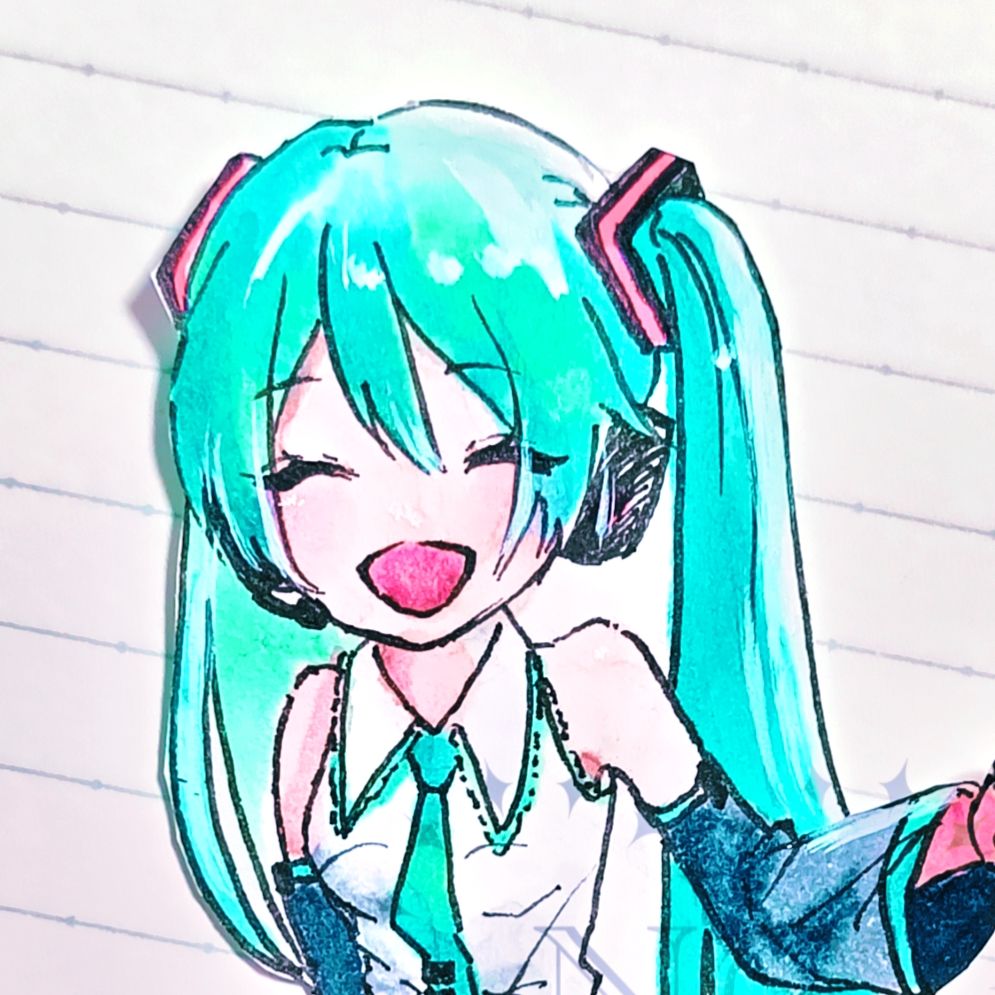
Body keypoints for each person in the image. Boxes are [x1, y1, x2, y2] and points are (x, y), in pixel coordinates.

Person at [159, 101, 995, 995]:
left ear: (596, 465)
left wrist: (957, 856)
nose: (410, 515)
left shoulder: (593, 685)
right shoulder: (314, 722)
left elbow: (767, 908)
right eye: (312, 469)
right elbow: (333, 967)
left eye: (490, 450)